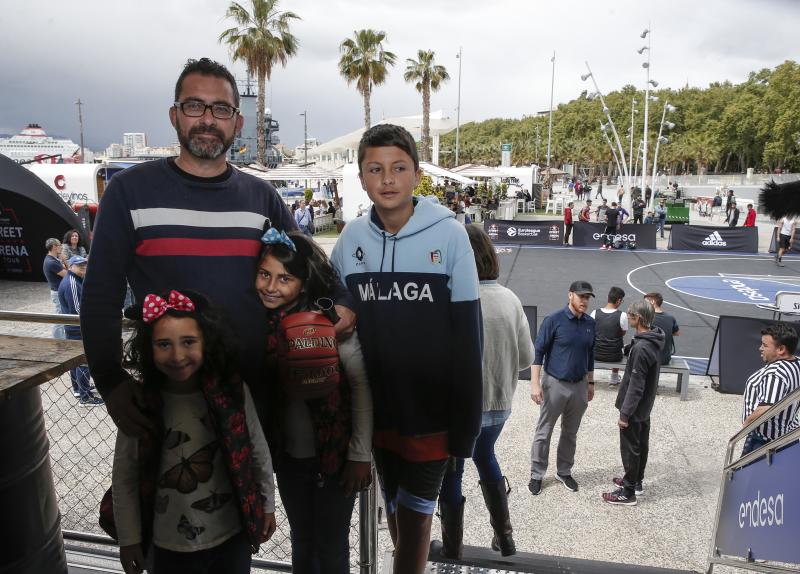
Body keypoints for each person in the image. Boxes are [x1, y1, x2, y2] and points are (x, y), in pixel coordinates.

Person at [80, 57, 356, 439]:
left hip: (255, 398)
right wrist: (110, 379)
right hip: (173, 399)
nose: (208, 119)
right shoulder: (128, 192)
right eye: (194, 106)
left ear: (237, 123)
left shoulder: (262, 197)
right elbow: (100, 295)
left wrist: (342, 301)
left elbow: (308, 264)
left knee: (256, 496)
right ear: (174, 115)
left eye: (221, 109)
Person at [330, 124, 482, 574]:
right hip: (375, 410)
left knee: (415, 524)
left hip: (430, 413)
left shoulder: (451, 236)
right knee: (396, 512)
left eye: (399, 168)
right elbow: (332, 302)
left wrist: (465, 427)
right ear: (361, 178)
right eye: (375, 169)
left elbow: (467, 336)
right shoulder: (351, 239)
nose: (388, 179)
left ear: (417, 174)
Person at [108, 290, 276, 574]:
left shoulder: (233, 394)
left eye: (188, 342)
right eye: (163, 344)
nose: (177, 355)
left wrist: (267, 504)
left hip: (231, 537)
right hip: (167, 546)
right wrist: (129, 539)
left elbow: (257, 449)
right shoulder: (142, 404)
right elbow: (125, 475)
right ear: (148, 349)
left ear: (206, 342)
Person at [255, 228, 373, 572]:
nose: (271, 286)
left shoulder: (328, 323)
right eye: (265, 274)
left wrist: (360, 453)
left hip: (335, 457)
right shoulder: (258, 324)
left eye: (284, 278)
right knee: (303, 539)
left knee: (332, 544)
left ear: (304, 284)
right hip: (290, 459)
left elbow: (360, 384)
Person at [437, 226, 534, 559]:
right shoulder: (510, 299)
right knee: (485, 456)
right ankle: (504, 537)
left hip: (459, 409)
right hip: (498, 406)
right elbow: (526, 358)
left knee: (453, 470)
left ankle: (452, 547)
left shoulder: (451, 299)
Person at [528, 281, 596, 496]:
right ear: (570, 295)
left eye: (587, 297)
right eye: (581, 296)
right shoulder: (553, 320)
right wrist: (535, 384)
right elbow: (538, 353)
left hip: (579, 386)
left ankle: (564, 471)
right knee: (544, 431)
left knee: (570, 433)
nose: (584, 301)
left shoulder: (590, 323)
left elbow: (591, 355)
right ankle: (537, 475)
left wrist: (591, 383)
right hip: (555, 384)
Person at [602, 299, 664, 506]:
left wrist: (624, 414)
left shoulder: (642, 349)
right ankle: (636, 481)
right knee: (641, 445)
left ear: (638, 318)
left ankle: (627, 491)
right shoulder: (653, 339)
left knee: (630, 448)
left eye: (630, 315)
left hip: (635, 409)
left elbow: (636, 385)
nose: (627, 317)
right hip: (645, 408)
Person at [740, 324, 800, 455]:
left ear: (781, 349)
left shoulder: (776, 374)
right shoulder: (797, 363)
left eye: (765, 345)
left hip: (764, 441)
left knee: (749, 474)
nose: (760, 348)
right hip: (788, 432)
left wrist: (746, 425)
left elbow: (765, 408)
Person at [58, 256, 103, 405]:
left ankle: (78, 388)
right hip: (77, 329)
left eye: (84, 265)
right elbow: (78, 310)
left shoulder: (76, 279)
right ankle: (85, 396)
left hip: (75, 328)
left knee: (76, 361)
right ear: (71, 267)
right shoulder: (71, 282)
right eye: (80, 265)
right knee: (83, 361)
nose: (84, 267)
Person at [590, 287, 628, 386]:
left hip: (596, 353)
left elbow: (590, 331)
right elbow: (623, 333)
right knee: (620, 343)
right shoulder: (622, 315)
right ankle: (614, 377)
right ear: (619, 300)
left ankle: (590, 377)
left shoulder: (594, 313)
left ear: (608, 297)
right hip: (614, 356)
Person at [643, 292, 680, 366]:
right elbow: (677, 333)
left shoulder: (646, 318)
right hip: (665, 359)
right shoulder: (670, 317)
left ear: (652, 302)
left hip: (650, 358)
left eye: (645, 302)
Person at [43, 237, 67, 339]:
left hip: (58, 291)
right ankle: (58, 340)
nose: (61, 247)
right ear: (54, 247)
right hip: (57, 293)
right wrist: (65, 260)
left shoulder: (53, 260)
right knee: (59, 317)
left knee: (62, 316)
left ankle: (61, 338)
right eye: (59, 245)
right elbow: (68, 275)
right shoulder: (51, 262)